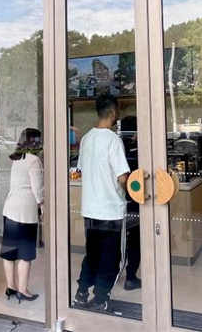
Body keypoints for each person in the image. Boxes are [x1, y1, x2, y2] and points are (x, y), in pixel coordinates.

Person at [75, 94, 130, 311]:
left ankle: (81, 293)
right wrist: (134, 191)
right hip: (110, 210)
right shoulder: (113, 140)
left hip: (90, 209)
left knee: (92, 254)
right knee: (110, 257)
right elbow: (122, 177)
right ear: (113, 112)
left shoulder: (87, 139)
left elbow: (81, 170)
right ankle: (100, 299)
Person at [0, 128, 44, 303]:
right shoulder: (34, 160)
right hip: (25, 212)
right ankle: (23, 290)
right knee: (26, 255)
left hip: (10, 209)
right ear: (35, 142)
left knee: (9, 253)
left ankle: (11, 287)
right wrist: (42, 205)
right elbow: (37, 189)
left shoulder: (17, 159)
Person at [119, 115, 141, 290]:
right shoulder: (138, 152)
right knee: (134, 239)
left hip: (117, 202)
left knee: (119, 239)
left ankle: (114, 274)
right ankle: (131, 277)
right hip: (134, 202)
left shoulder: (118, 149)